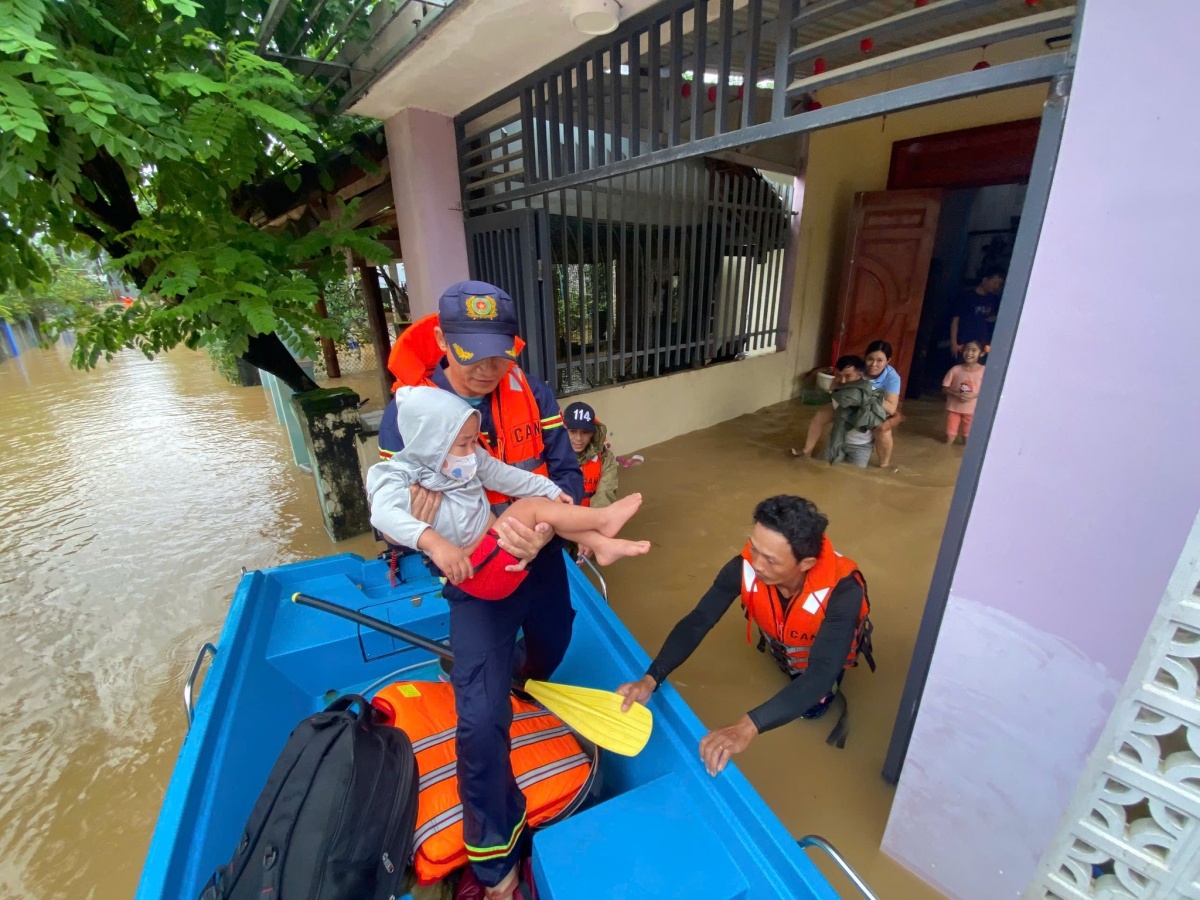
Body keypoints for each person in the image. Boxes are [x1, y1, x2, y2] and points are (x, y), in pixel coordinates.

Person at [377, 280, 582, 899]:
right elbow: (393, 508)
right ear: (441, 342)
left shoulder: (534, 393)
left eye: (501, 355)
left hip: (538, 556)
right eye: (473, 356)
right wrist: (417, 533)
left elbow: (565, 471)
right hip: (473, 574)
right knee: (478, 720)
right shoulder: (410, 409)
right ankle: (496, 863)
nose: (490, 371)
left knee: (554, 640)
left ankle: (512, 676)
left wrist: (546, 528)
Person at [615, 496, 874, 776]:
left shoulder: (844, 591)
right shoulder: (743, 566)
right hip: (782, 644)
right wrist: (651, 678)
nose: (757, 565)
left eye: (771, 560)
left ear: (806, 563)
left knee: (812, 709)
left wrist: (748, 725)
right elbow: (698, 620)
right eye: (754, 548)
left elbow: (822, 672)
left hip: (820, 659)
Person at [367, 386, 648, 599]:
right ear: (428, 444)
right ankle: (601, 519)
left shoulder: (468, 457)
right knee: (529, 509)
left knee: (539, 509)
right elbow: (383, 514)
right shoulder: (395, 476)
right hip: (475, 573)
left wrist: (550, 489)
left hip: (499, 555)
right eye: (463, 443)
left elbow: (507, 477)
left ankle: (601, 544)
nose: (471, 451)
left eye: (472, 441)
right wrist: (435, 544)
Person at [794, 339, 902, 468]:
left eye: (880, 360)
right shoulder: (853, 367)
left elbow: (892, 409)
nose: (873, 364)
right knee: (821, 415)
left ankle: (884, 465)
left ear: (887, 361)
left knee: (884, 429)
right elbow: (834, 385)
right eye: (870, 359)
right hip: (848, 405)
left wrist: (869, 396)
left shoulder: (892, 378)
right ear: (865, 358)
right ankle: (807, 451)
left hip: (873, 407)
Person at [825, 356, 886, 468]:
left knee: (854, 478)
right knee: (822, 468)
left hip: (860, 446)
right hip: (836, 440)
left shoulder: (872, 395)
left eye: (848, 376)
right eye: (839, 375)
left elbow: (881, 424)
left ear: (860, 373)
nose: (843, 381)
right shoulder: (835, 390)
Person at [563, 401, 618, 508]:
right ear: (563, 431)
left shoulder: (606, 459)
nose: (578, 438)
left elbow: (605, 497)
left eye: (585, 432)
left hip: (592, 518)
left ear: (592, 434)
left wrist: (592, 521)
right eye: (572, 431)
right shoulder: (550, 456)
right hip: (560, 519)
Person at [950, 266, 1006, 355]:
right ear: (985, 280)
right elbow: (955, 320)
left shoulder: (994, 300)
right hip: (964, 345)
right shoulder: (967, 296)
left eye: (999, 284)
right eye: (994, 282)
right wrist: (954, 343)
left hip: (983, 348)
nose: (996, 286)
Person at [942, 339, 985, 445]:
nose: (969, 353)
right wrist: (955, 394)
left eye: (974, 350)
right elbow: (945, 388)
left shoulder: (985, 371)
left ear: (982, 353)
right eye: (967, 350)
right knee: (949, 437)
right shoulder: (955, 369)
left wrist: (974, 395)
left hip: (973, 410)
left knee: (967, 439)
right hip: (954, 408)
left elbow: (989, 391)